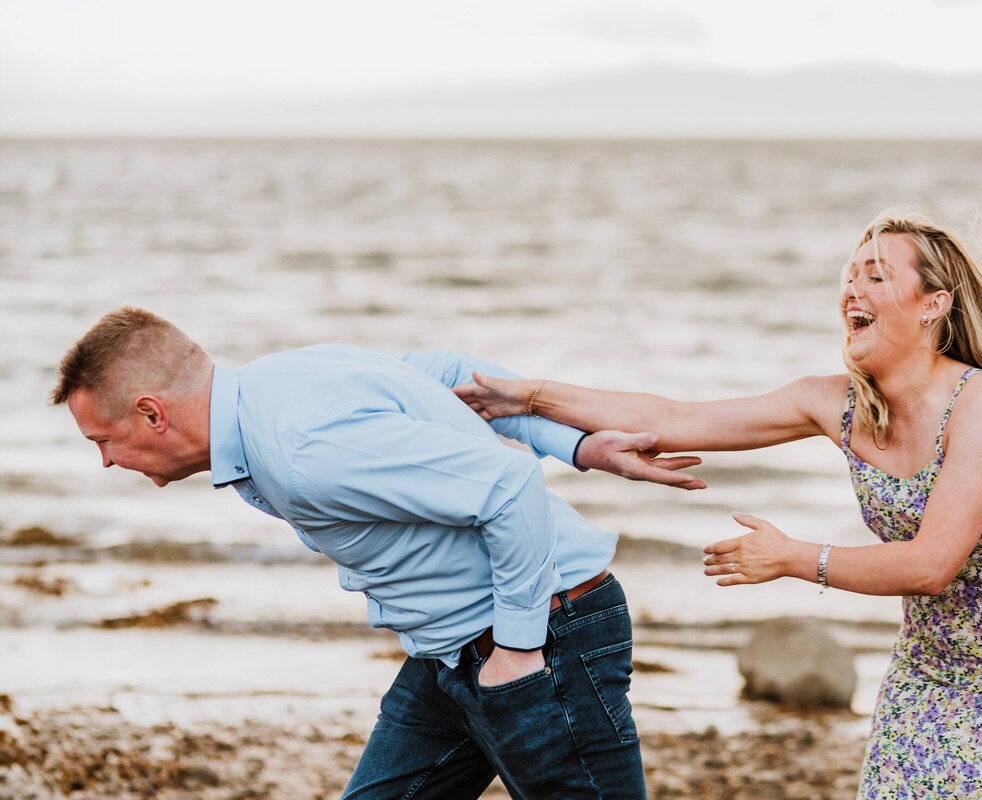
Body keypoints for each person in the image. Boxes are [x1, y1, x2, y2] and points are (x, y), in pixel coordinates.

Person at [453, 212, 982, 798]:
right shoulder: (836, 404)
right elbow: (675, 415)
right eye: (852, 273)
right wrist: (535, 396)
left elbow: (933, 564)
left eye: (878, 274)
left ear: (933, 304)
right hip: (934, 669)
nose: (855, 285)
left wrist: (791, 558)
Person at [51, 306, 707, 800]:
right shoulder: (277, 381)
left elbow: (509, 492)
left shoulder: (305, 450)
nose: (106, 461)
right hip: (447, 658)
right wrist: (578, 444)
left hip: (545, 639)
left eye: (102, 440)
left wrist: (517, 651)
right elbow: (454, 377)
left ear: (151, 413)